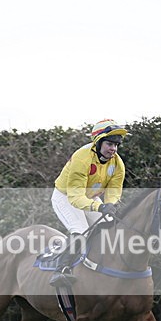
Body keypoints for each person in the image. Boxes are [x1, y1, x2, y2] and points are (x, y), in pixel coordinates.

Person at [49, 119, 127, 287]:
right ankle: (61, 269)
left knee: (109, 232)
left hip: (90, 198)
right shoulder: (82, 158)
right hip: (66, 197)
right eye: (109, 144)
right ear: (98, 142)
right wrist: (100, 206)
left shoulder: (118, 163)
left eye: (116, 145)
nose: (113, 149)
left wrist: (111, 204)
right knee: (81, 231)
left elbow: (114, 191)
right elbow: (76, 198)